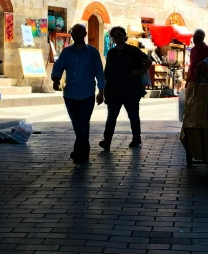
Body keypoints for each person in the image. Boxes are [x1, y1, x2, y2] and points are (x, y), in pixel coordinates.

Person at [52, 23, 105, 164]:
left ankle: (78, 152)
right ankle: (84, 150)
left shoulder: (92, 52)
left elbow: (99, 71)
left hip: (87, 94)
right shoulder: (66, 52)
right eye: (74, 32)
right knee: (77, 124)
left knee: (83, 123)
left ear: (85, 34)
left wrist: (101, 91)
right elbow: (58, 66)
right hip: (70, 94)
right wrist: (56, 79)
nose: (77, 34)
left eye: (80, 32)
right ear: (72, 34)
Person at [99, 26, 152, 151]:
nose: (118, 37)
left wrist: (140, 72)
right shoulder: (111, 53)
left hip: (131, 89)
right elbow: (107, 72)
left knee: (133, 116)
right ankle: (107, 141)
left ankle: (136, 138)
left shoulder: (133, 50)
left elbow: (148, 61)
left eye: (120, 34)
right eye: (115, 36)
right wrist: (104, 90)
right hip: (114, 90)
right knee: (111, 117)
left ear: (124, 36)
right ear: (112, 38)